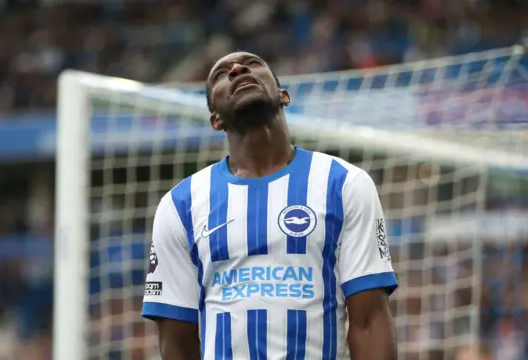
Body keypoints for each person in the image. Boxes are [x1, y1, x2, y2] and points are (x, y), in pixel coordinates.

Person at [141, 51, 398, 360]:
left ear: (283, 95)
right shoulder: (180, 205)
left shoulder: (344, 184)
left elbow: (369, 322)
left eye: (252, 64)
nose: (237, 69)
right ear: (215, 119)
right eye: (221, 74)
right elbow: (177, 343)